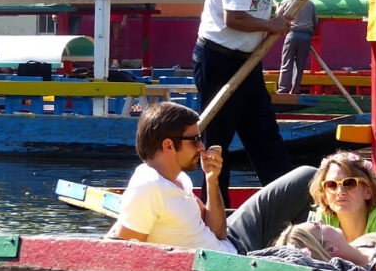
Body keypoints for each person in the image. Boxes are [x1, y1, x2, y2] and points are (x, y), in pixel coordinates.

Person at [193, 0, 355, 202]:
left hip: (247, 60)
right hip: (219, 59)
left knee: (265, 135)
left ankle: (287, 204)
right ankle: (216, 213)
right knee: (217, 143)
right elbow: (234, 18)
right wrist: (273, 25)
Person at [108, 101, 315, 254]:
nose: (201, 147)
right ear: (169, 146)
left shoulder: (177, 179)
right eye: (195, 140)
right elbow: (127, 255)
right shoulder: (148, 187)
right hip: (233, 260)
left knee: (307, 177)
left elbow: (218, 231)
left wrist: (211, 178)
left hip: (232, 241)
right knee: (308, 178)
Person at [309, 151, 376, 241]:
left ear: (368, 191)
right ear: (325, 196)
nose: (340, 192)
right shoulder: (324, 218)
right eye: (331, 185)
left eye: (349, 183)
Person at [276, 0, 318, 94]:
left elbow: (278, 15)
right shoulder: (310, 4)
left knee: (287, 62)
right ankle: (295, 89)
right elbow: (315, 22)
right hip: (306, 36)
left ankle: (283, 89)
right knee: (300, 65)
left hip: (292, 34)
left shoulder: (288, 1)